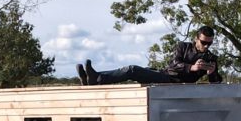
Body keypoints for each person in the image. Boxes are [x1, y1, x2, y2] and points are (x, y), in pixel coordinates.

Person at [78, 26, 223, 85]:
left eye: (209, 44)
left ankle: (96, 78)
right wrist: (192, 67)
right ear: (196, 39)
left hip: (175, 83)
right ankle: (93, 77)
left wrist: (212, 72)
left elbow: (216, 83)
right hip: (166, 75)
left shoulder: (210, 58)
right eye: (204, 42)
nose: (206, 46)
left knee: (132, 70)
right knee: (137, 70)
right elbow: (174, 64)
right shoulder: (183, 46)